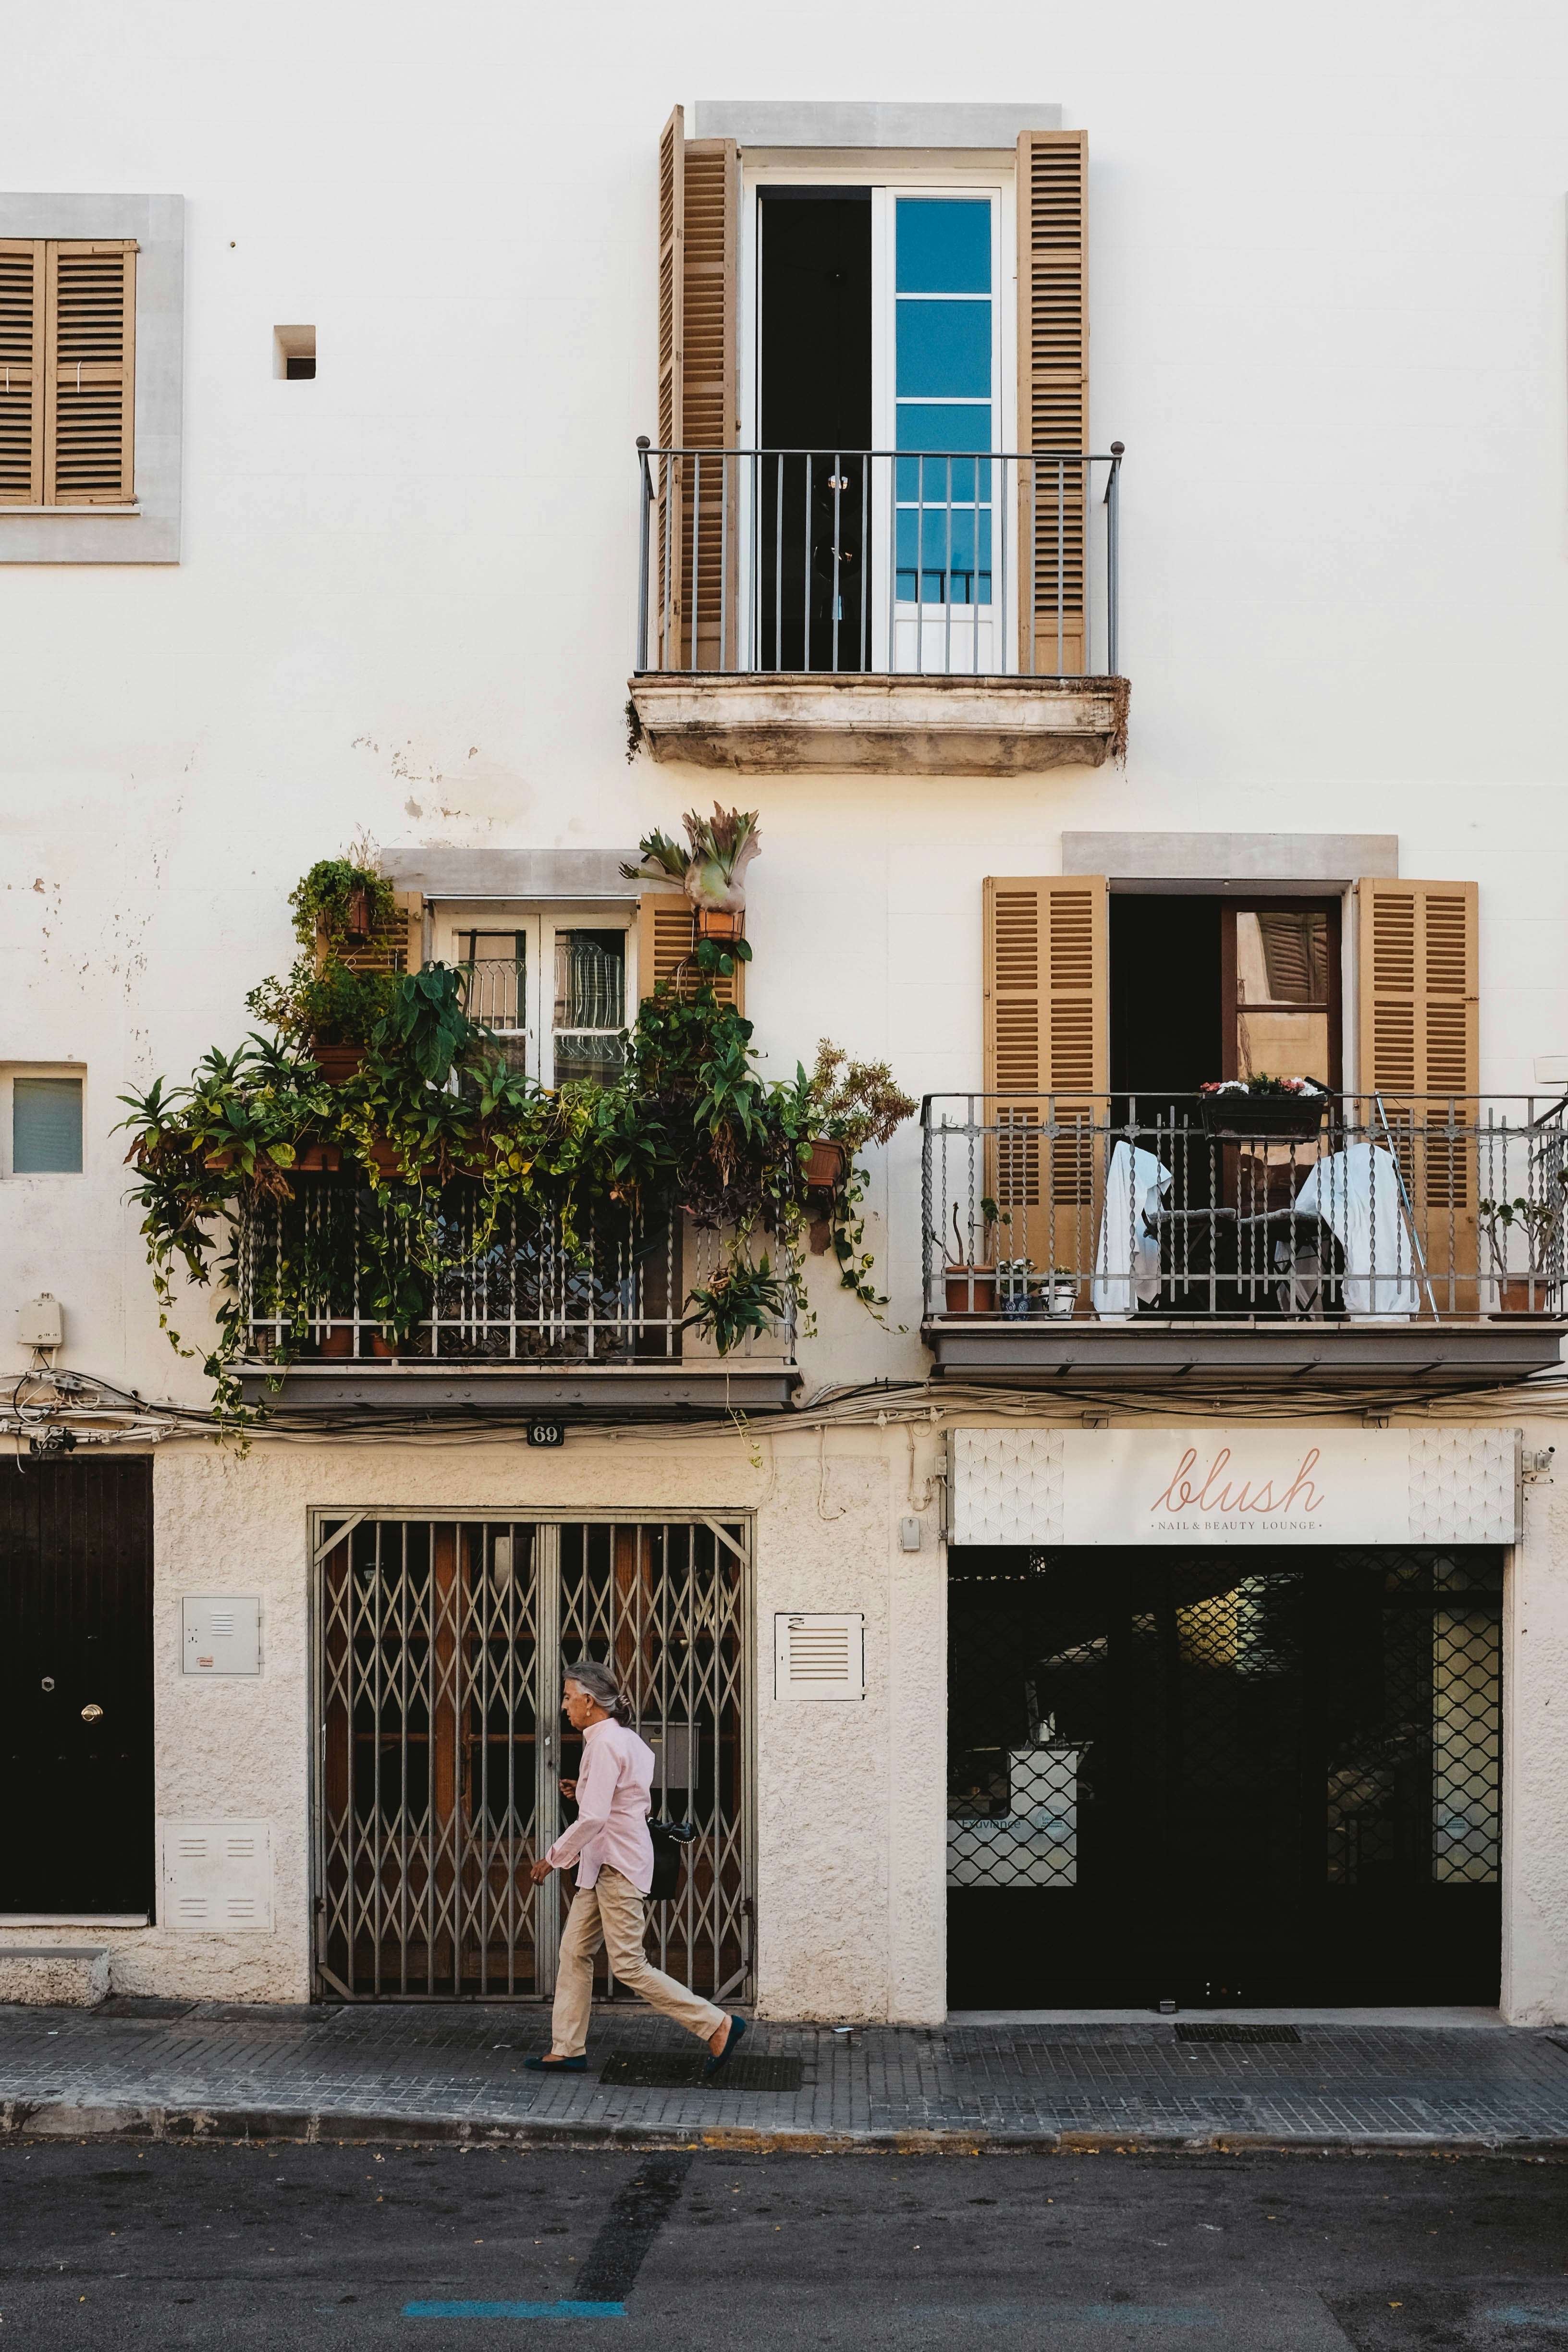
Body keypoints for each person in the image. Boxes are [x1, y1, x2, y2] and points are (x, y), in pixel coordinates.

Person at [525, 1660, 747, 2075]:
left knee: (628, 1964)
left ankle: (718, 2024)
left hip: (617, 1865)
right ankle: (568, 2048)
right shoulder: (624, 1739)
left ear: (589, 1702)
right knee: (574, 1952)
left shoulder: (605, 1744)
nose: (564, 1705)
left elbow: (594, 1819)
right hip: (603, 1864)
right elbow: (623, 1799)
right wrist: (585, 1789)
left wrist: (553, 1858)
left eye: (569, 1697)